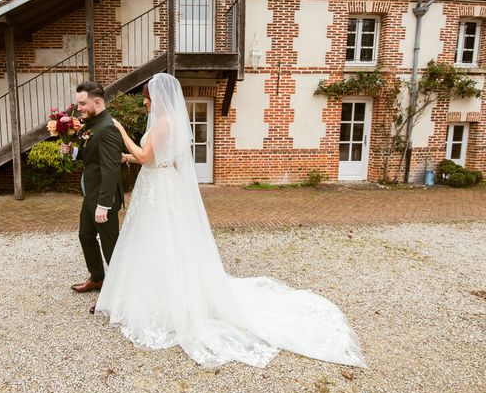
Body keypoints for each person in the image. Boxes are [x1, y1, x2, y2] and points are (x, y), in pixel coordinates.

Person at [95, 73, 367, 368]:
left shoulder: (163, 123)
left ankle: (172, 305)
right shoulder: (162, 123)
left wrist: (122, 133)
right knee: (153, 243)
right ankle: (151, 297)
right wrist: (125, 157)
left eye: (146, 97)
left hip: (161, 190)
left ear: (156, 98)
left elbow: (148, 157)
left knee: (165, 242)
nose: (145, 102)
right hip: (156, 187)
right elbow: (153, 157)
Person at [60, 81, 124, 293]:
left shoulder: (108, 128)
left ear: (97, 101)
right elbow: (91, 158)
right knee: (85, 236)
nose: (78, 108)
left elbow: (111, 169)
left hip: (103, 199)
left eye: (82, 103)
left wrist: (104, 204)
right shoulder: (93, 124)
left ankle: (119, 292)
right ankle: (97, 278)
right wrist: (72, 151)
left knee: (110, 246)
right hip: (91, 195)